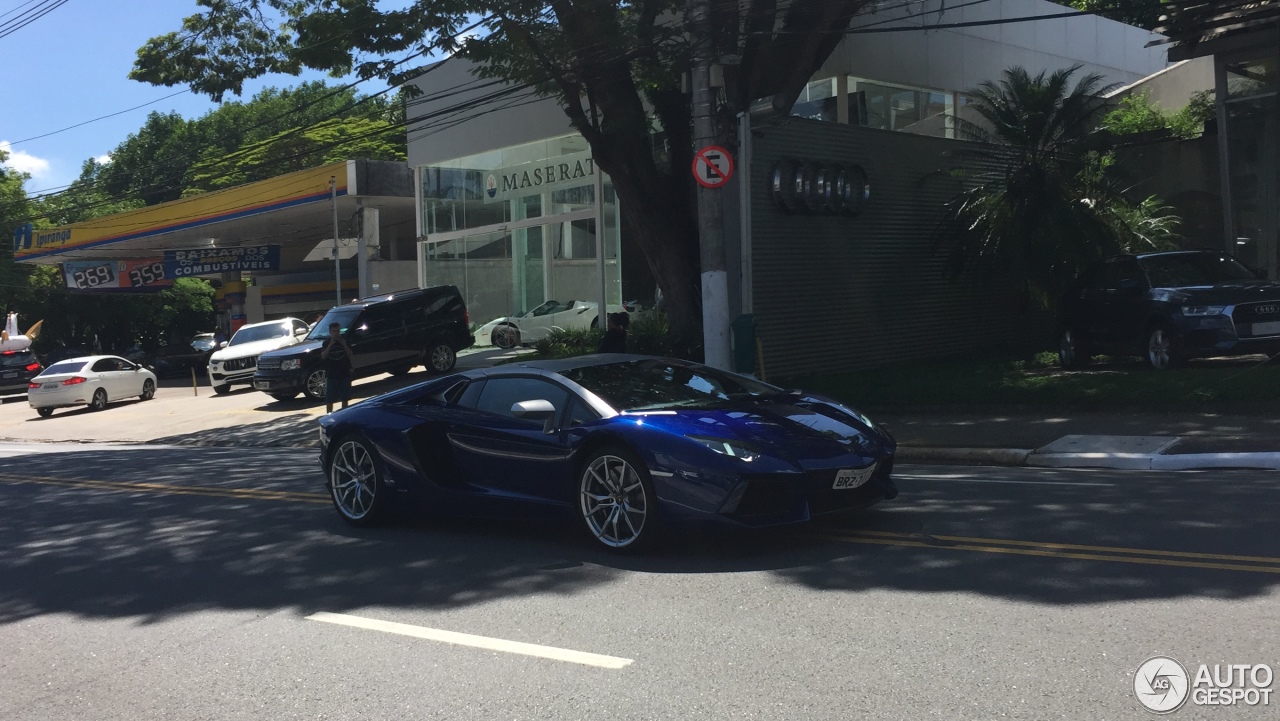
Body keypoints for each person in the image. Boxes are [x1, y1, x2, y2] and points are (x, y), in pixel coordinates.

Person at [320, 322, 355, 413]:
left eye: (338, 331)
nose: (336, 333)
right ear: (330, 332)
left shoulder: (345, 341)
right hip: (332, 374)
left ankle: (343, 414)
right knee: (330, 399)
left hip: (344, 372)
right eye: (334, 331)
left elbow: (350, 354)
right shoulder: (326, 343)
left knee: (345, 398)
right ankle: (329, 415)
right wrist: (331, 344)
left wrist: (344, 344)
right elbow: (323, 356)